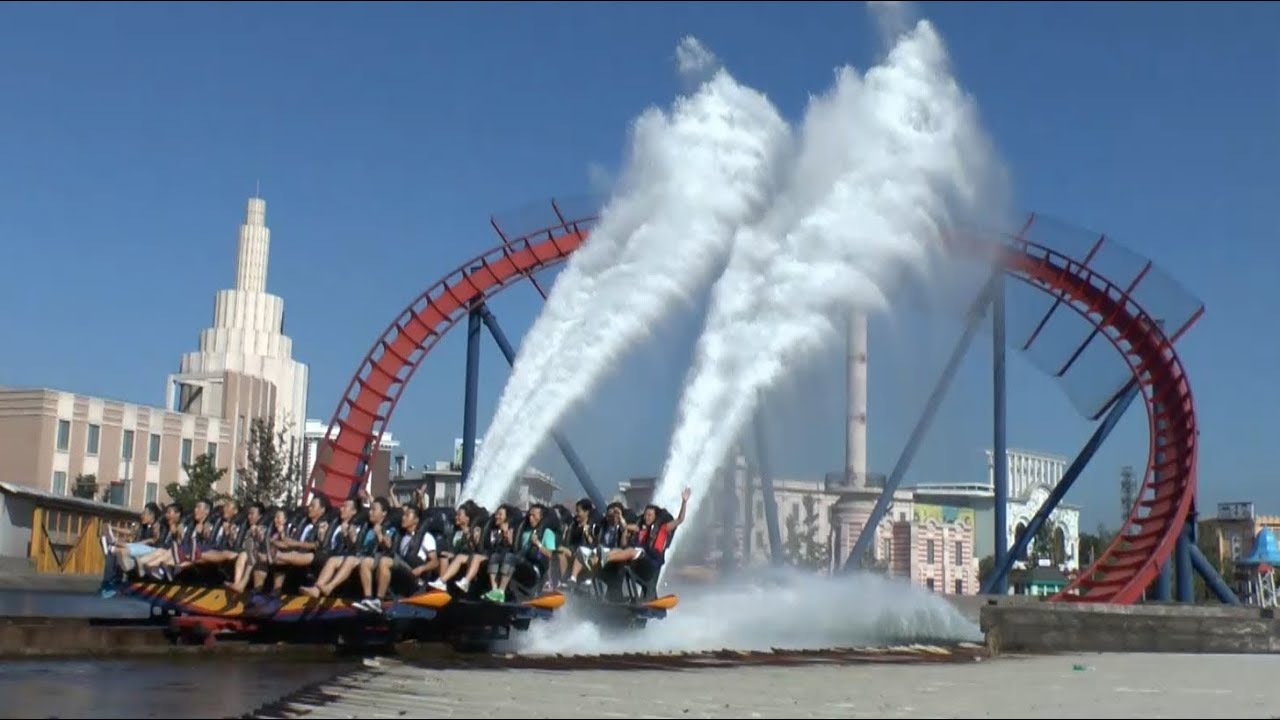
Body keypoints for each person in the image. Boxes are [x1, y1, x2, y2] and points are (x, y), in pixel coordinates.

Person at [356, 504, 439, 611]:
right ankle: (368, 598)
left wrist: (420, 569)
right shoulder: (400, 535)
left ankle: (379, 600)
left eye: (407, 515)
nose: (403, 517)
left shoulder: (426, 537)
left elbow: (435, 562)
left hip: (412, 572)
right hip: (399, 568)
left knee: (384, 561)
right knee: (366, 562)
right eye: (403, 515)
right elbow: (391, 551)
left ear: (416, 520)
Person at [488, 504, 556, 601]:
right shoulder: (524, 532)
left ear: (541, 517)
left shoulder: (548, 533)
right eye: (529, 515)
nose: (530, 518)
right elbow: (516, 549)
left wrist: (537, 543)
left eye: (534, 516)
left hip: (534, 569)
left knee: (510, 558)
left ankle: (501, 591)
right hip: (521, 563)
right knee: (495, 557)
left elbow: (550, 555)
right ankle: (494, 590)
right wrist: (507, 537)